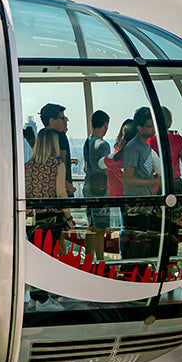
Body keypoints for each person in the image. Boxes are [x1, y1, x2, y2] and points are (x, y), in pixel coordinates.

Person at [118, 106, 176, 269]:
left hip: (144, 204)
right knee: (136, 247)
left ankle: (136, 276)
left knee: (141, 246)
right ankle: (131, 277)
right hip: (136, 206)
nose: (153, 129)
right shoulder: (133, 147)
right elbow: (128, 178)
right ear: (139, 128)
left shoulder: (145, 147)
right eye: (149, 126)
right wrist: (153, 182)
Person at [25, 128, 72, 247]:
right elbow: (61, 193)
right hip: (51, 219)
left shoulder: (27, 166)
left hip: (31, 218)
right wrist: (68, 216)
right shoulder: (57, 165)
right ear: (54, 144)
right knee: (50, 253)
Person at [82, 110, 112, 262]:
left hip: (88, 188)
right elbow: (107, 169)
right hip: (100, 189)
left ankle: (88, 259)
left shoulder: (87, 142)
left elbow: (86, 167)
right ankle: (101, 261)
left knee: (91, 226)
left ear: (92, 124)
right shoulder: (103, 145)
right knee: (100, 229)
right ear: (106, 125)